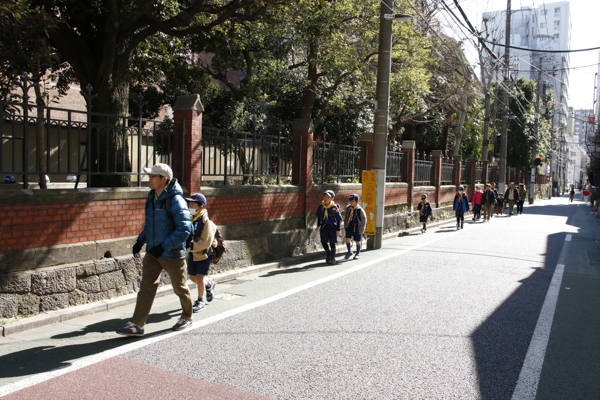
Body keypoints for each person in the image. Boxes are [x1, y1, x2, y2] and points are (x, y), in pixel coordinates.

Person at [117, 163, 193, 337]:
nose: (149, 179)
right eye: (149, 176)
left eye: (153, 176)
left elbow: (184, 229)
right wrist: (140, 241)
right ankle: (137, 324)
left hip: (172, 253)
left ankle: (187, 316)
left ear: (163, 179)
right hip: (153, 252)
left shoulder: (176, 200)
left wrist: (163, 246)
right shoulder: (152, 197)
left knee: (180, 288)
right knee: (146, 287)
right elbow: (150, 224)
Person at [185, 193, 217, 313]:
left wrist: (190, 247)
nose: (190, 206)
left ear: (201, 207)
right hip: (193, 253)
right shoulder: (190, 218)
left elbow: (206, 242)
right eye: (190, 204)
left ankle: (200, 300)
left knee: (199, 277)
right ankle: (208, 285)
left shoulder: (207, 223)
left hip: (203, 254)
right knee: (193, 277)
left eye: (193, 204)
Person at [315, 190, 342, 264]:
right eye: (325, 196)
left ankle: (333, 258)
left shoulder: (334, 207)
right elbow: (319, 217)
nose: (325, 198)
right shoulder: (321, 206)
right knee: (323, 242)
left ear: (332, 199)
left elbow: (339, 219)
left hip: (332, 227)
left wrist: (338, 229)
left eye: (328, 197)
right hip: (324, 227)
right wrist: (318, 225)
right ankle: (328, 254)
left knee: (332, 243)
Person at [343, 194, 367, 260]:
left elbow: (364, 220)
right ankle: (349, 251)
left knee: (357, 240)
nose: (351, 203)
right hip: (350, 225)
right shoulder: (348, 208)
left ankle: (358, 253)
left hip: (357, 226)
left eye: (352, 201)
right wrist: (345, 226)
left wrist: (361, 230)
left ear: (357, 201)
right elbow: (346, 218)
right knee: (347, 238)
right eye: (350, 201)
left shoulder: (360, 210)